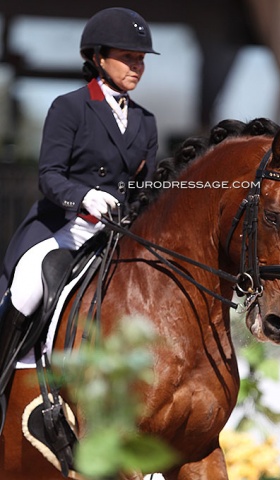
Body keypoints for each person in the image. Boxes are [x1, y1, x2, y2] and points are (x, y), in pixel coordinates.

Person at [0, 7, 159, 392]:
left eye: (140, 59)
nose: (136, 66)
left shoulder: (146, 121)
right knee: (25, 291)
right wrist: (85, 195)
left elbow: (144, 188)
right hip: (65, 229)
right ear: (97, 58)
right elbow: (49, 176)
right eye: (127, 57)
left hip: (116, 235)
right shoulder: (69, 107)